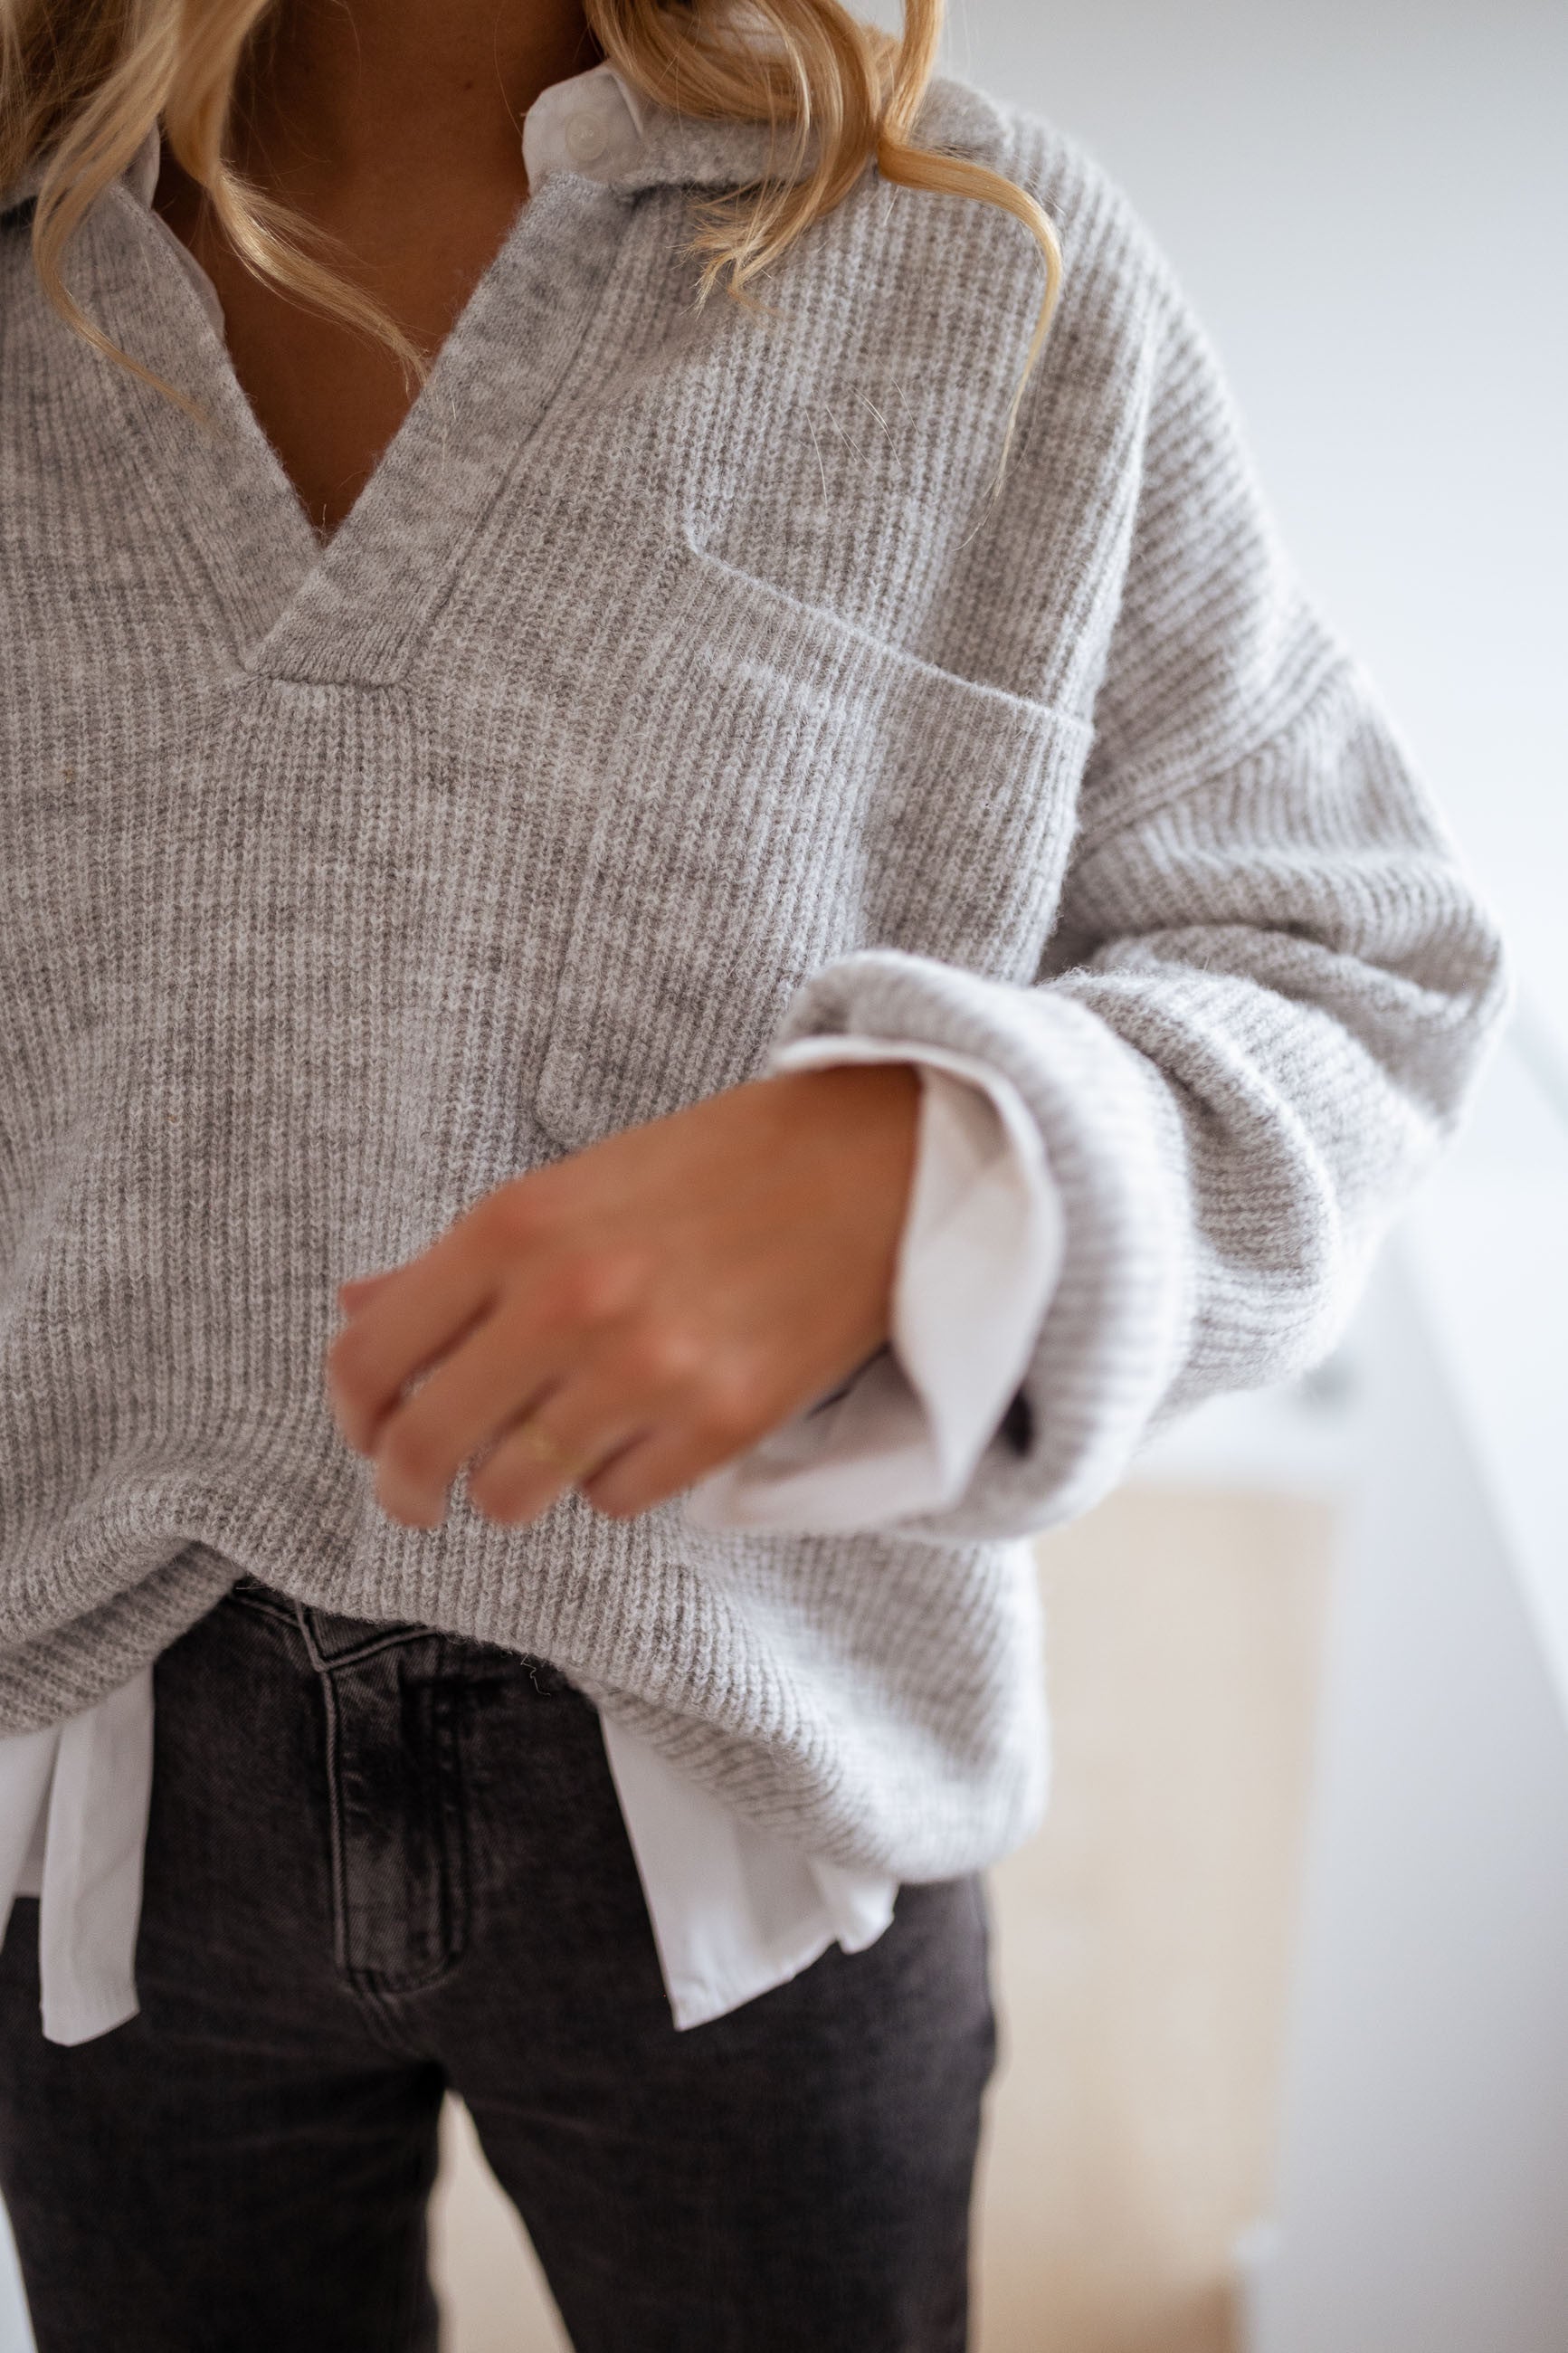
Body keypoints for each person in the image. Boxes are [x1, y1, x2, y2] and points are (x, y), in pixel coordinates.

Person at [0, 0, 1510, 2346]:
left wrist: (942, 1164)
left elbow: (1362, 979)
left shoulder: (983, 289)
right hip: (84, 1807)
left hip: (755, 1783)